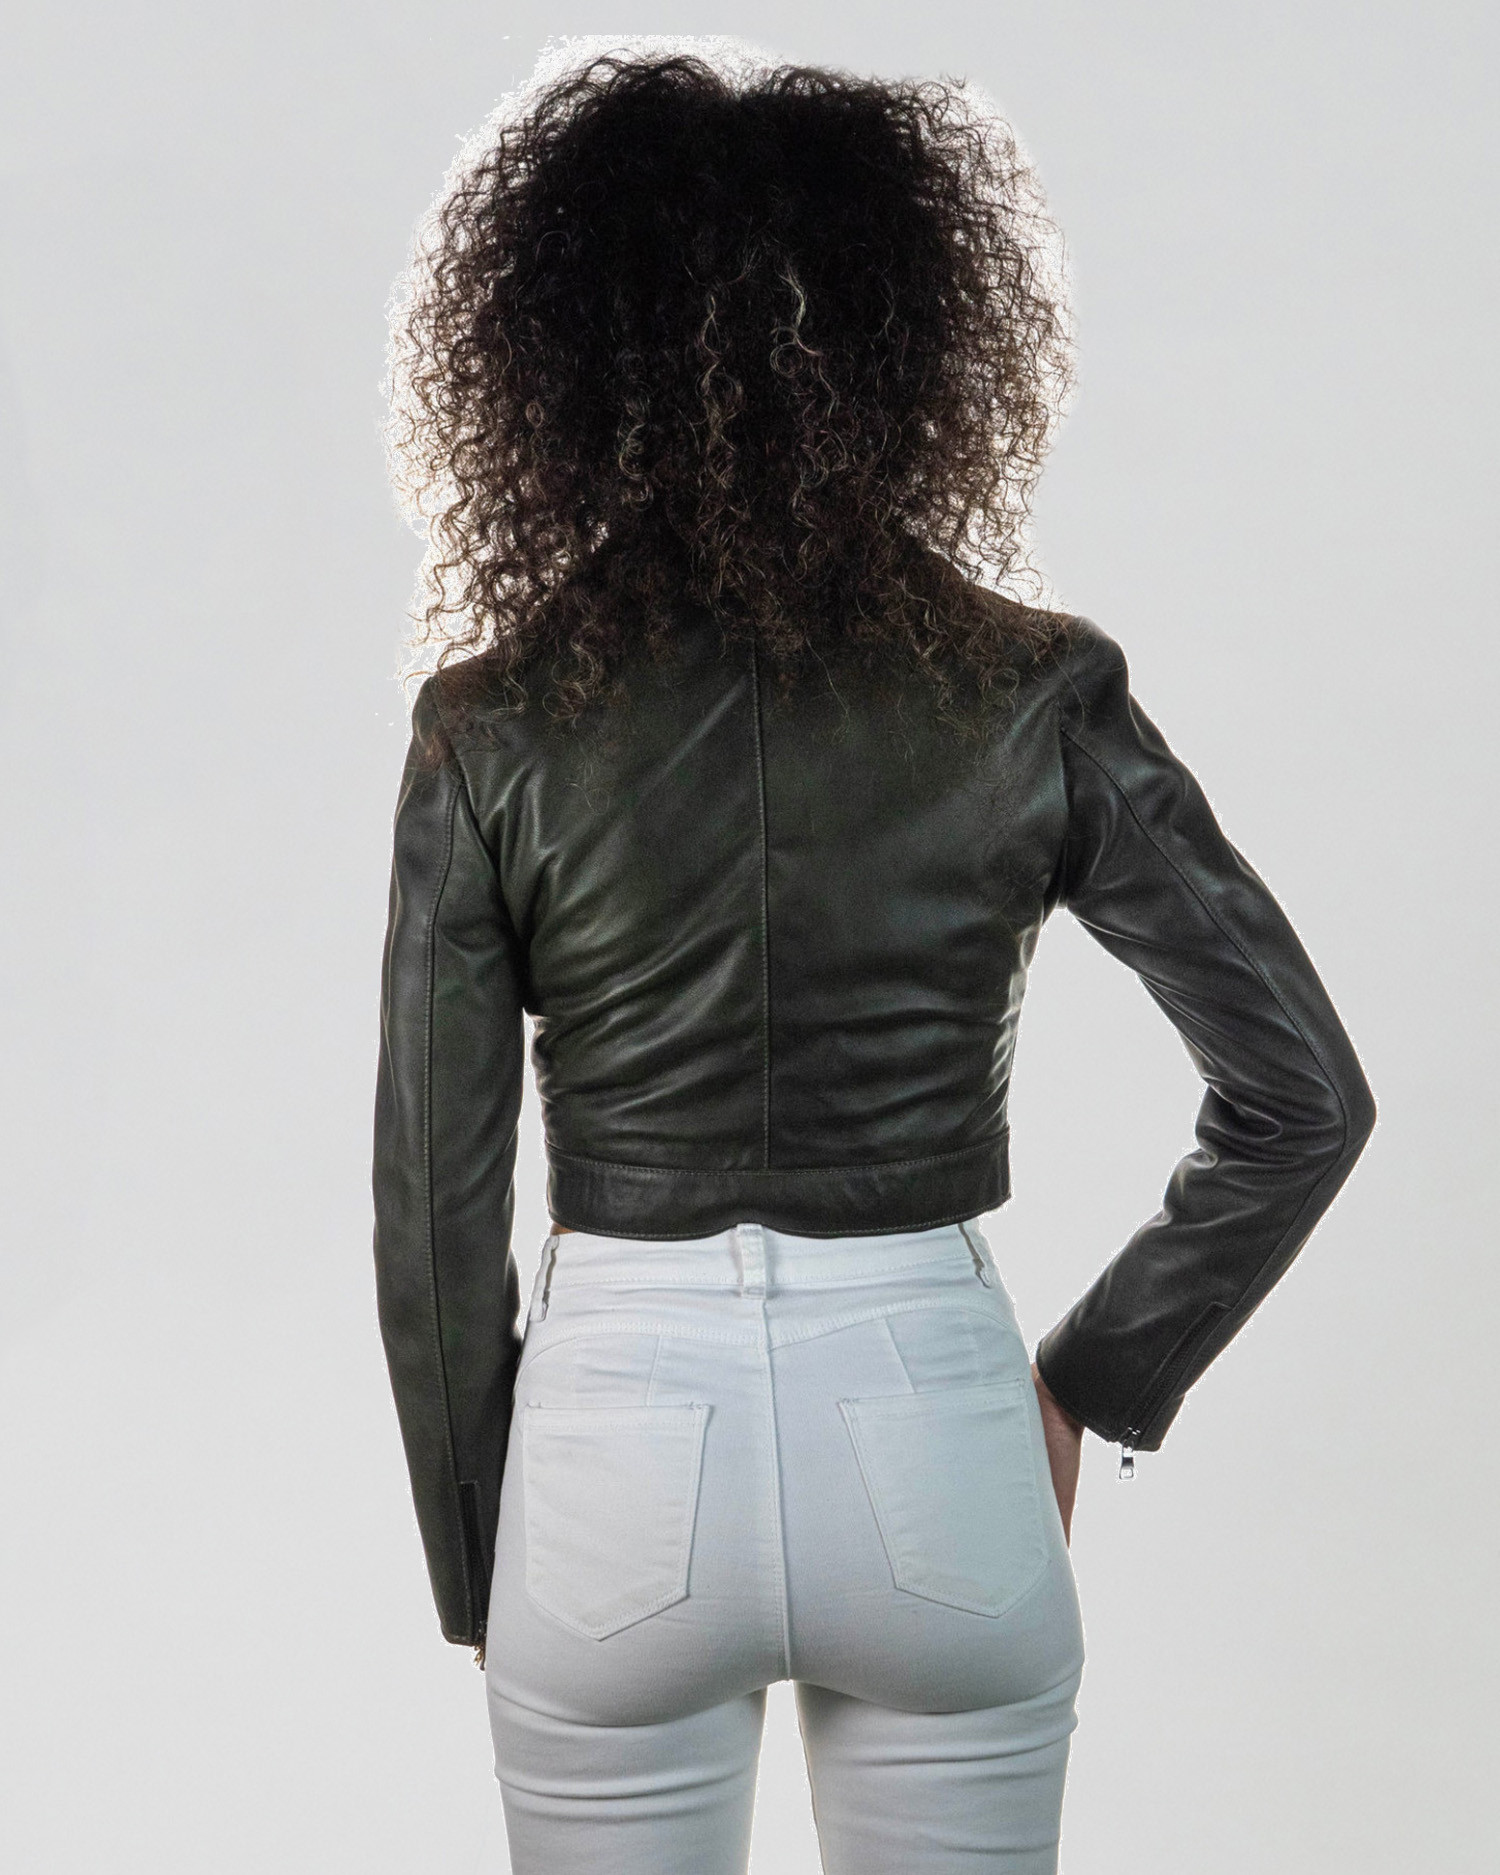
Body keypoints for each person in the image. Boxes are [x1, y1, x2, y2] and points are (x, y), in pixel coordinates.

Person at [371, 45, 1375, 1875]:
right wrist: (1092, 1382)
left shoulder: (489, 726)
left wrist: (482, 1557)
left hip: (615, 1453)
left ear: (561, 364)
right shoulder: (1032, 693)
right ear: (917, 354)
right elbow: (1304, 1095)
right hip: (933, 1424)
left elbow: (438, 1227)